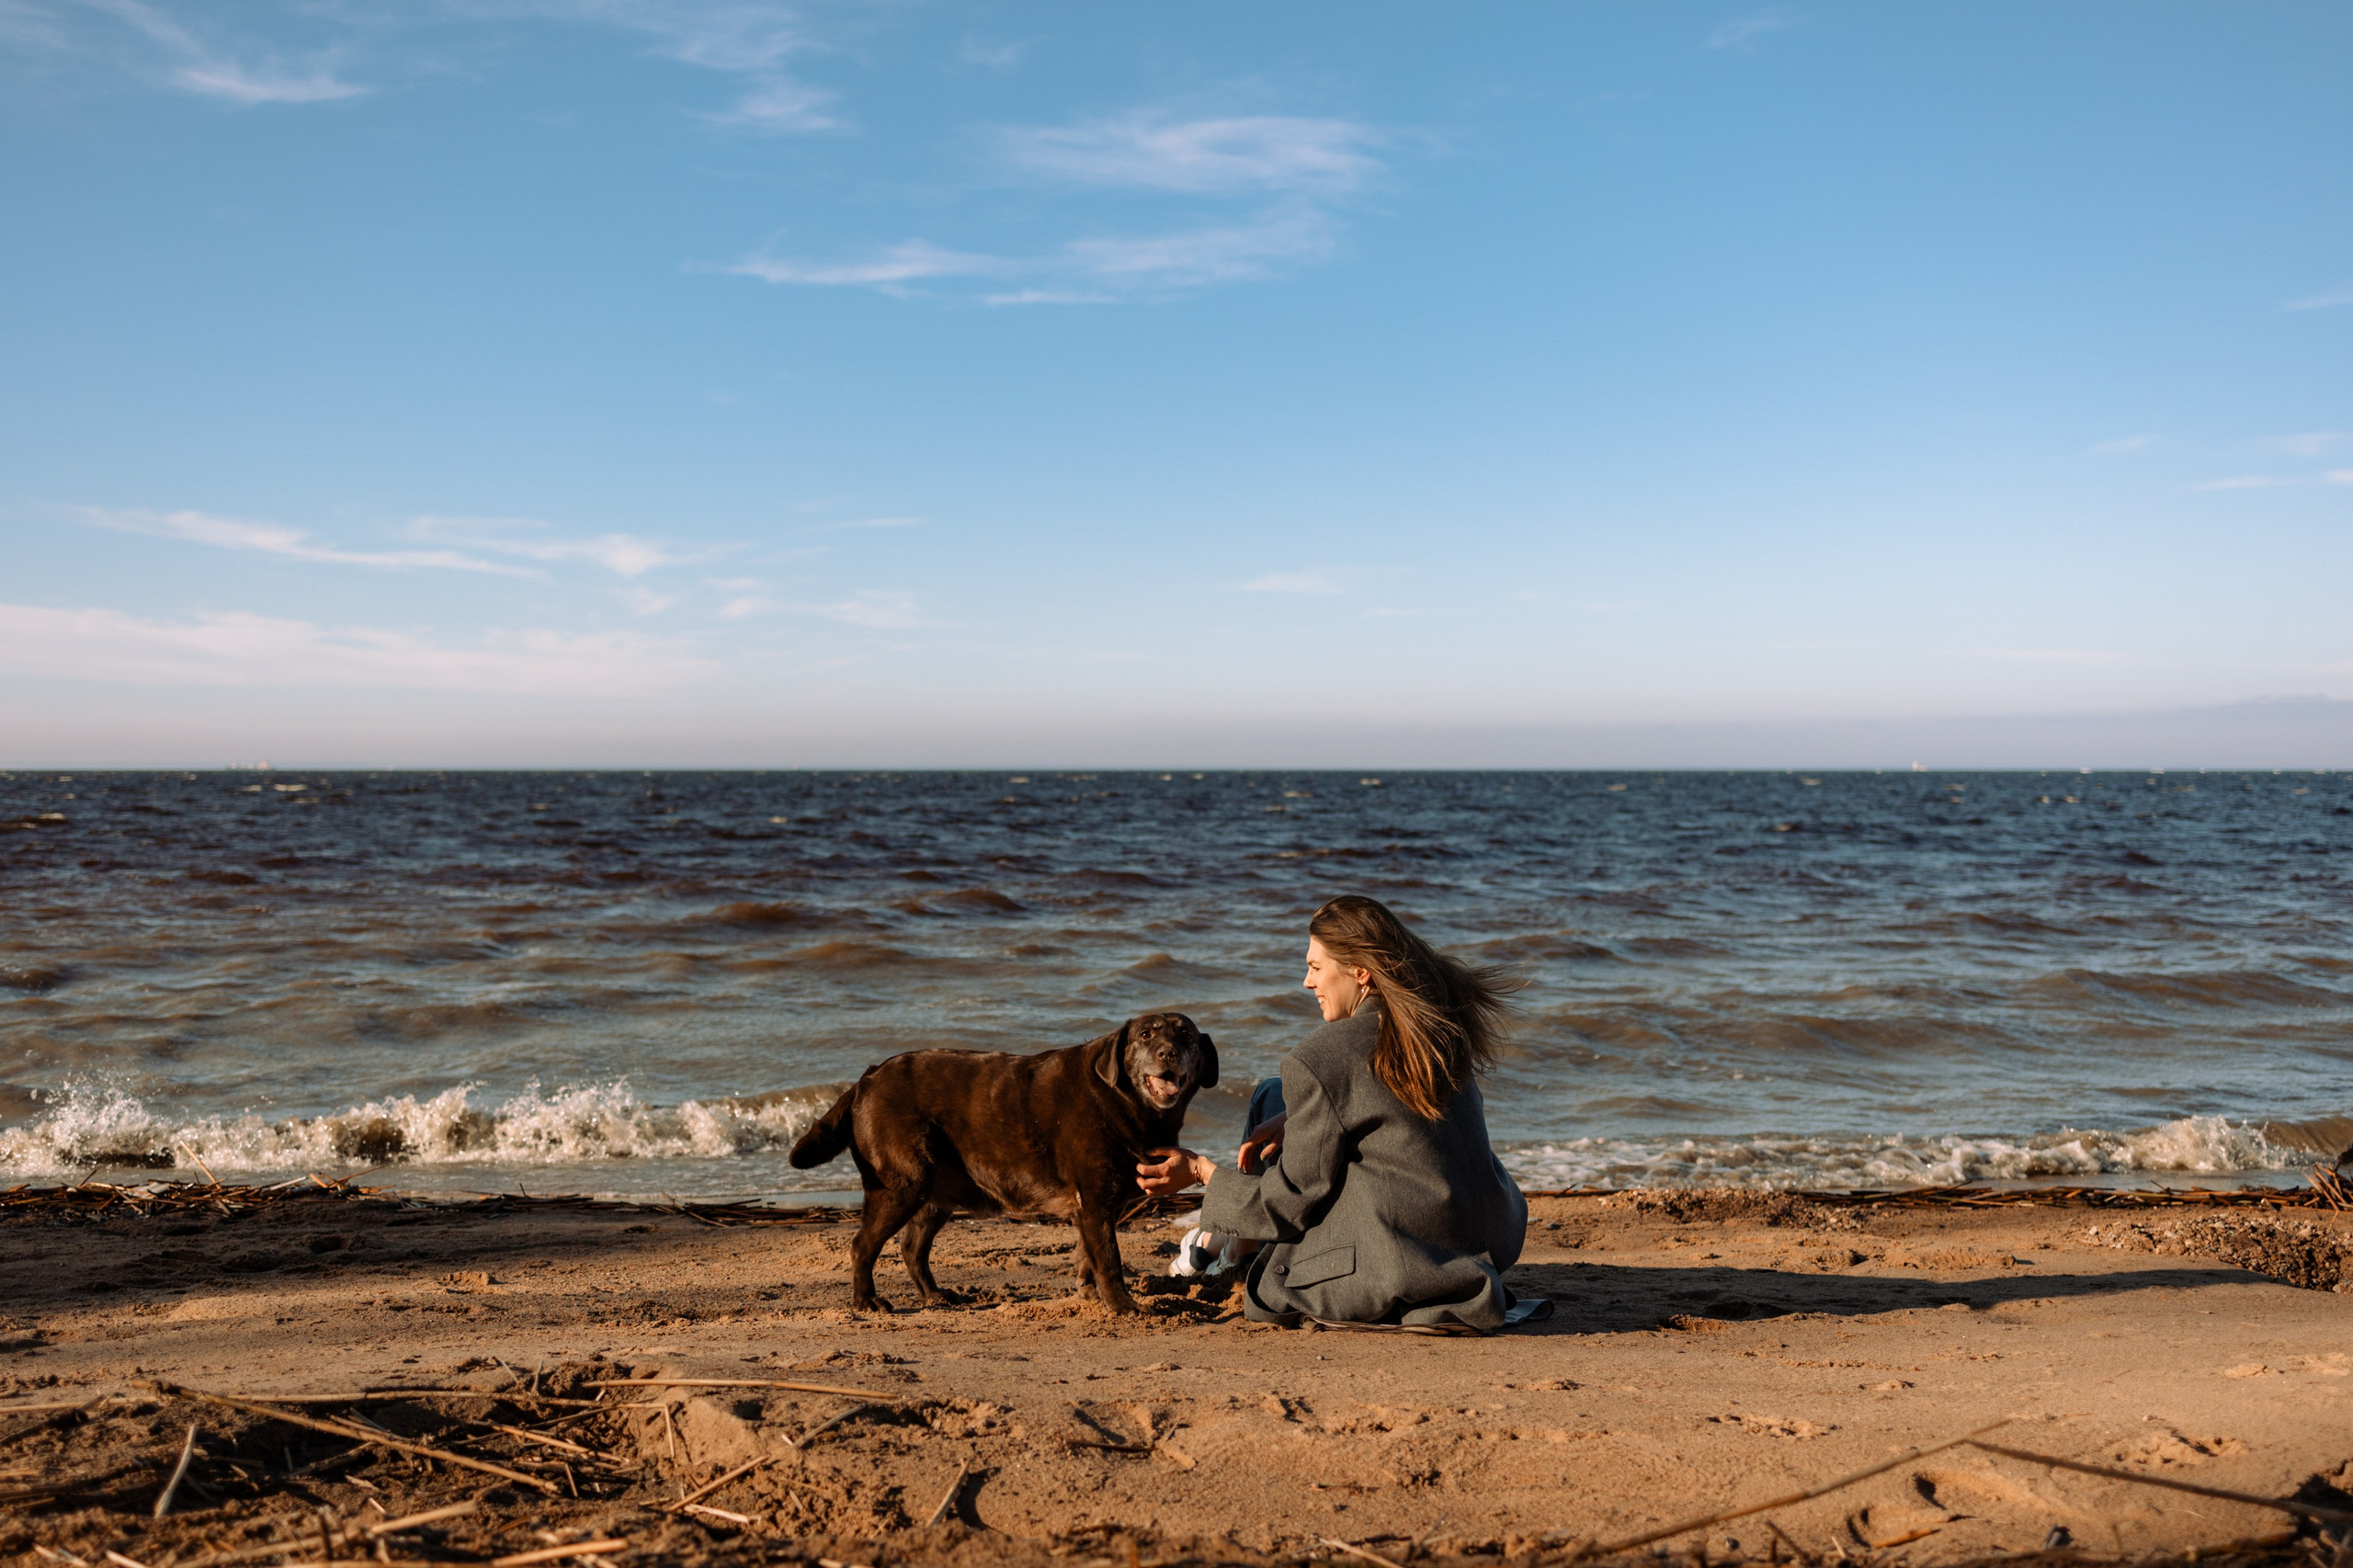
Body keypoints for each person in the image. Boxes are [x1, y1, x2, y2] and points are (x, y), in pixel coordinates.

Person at [1134, 895, 1548, 1334]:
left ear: (1360, 972)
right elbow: (1387, 1108)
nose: (1306, 982)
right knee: (1274, 1096)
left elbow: (1289, 1202)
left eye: (1316, 967)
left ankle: (1227, 1244)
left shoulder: (1322, 1055)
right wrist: (1295, 1117)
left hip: (1405, 1260)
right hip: (1486, 1236)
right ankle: (1236, 1245)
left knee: (1278, 1260)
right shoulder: (1436, 1026)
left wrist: (1200, 1173)